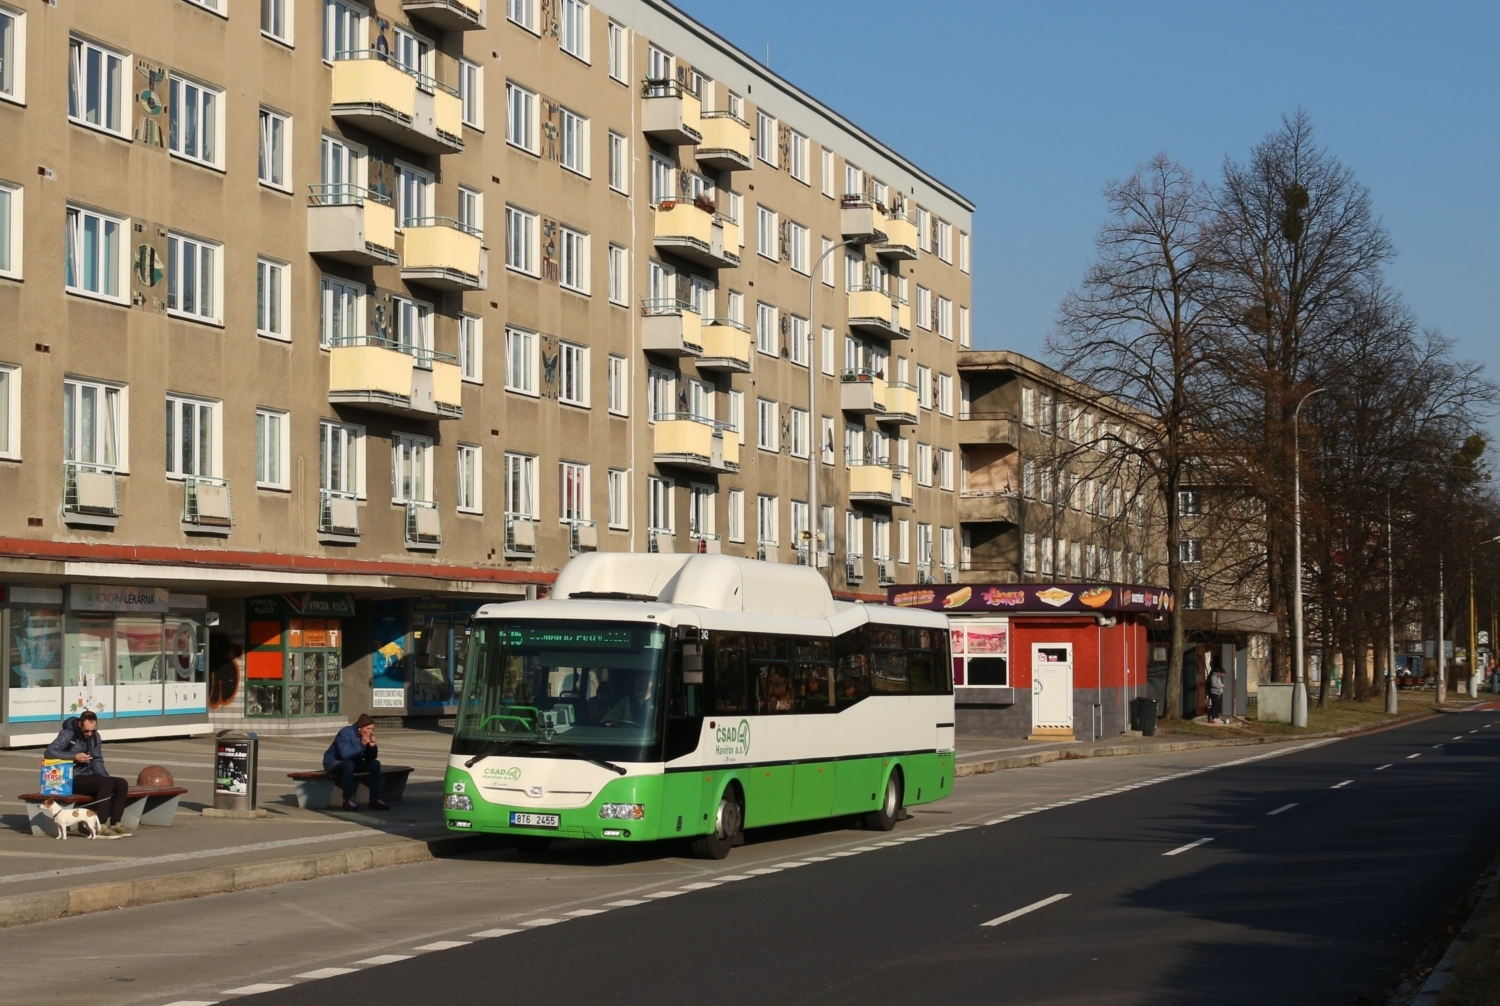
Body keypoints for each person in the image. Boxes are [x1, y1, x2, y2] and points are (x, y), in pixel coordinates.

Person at [45, 711, 132, 836]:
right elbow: (49, 752)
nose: (89, 734)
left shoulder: (95, 737)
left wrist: (107, 779)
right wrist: (74, 756)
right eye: (87, 731)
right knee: (105, 783)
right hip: (70, 778)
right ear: (80, 724)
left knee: (121, 783)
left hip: (88, 776)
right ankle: (100, 825)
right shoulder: (68, 734)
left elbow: (97, 761)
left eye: (93, 730)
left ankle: (115, 822)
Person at [323, 714, 387, 811]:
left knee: (375, 764)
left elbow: (370, 758)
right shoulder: (345, 733)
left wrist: (372, 747)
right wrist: (362, 744)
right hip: (334, 762)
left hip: (353, 762)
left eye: (372, 729)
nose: (370, 732)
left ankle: (375, 799)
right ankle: (347, 799)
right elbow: (345, 755)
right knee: (349, 764)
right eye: (368, 729)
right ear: (359, 728)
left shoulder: (365, 736)